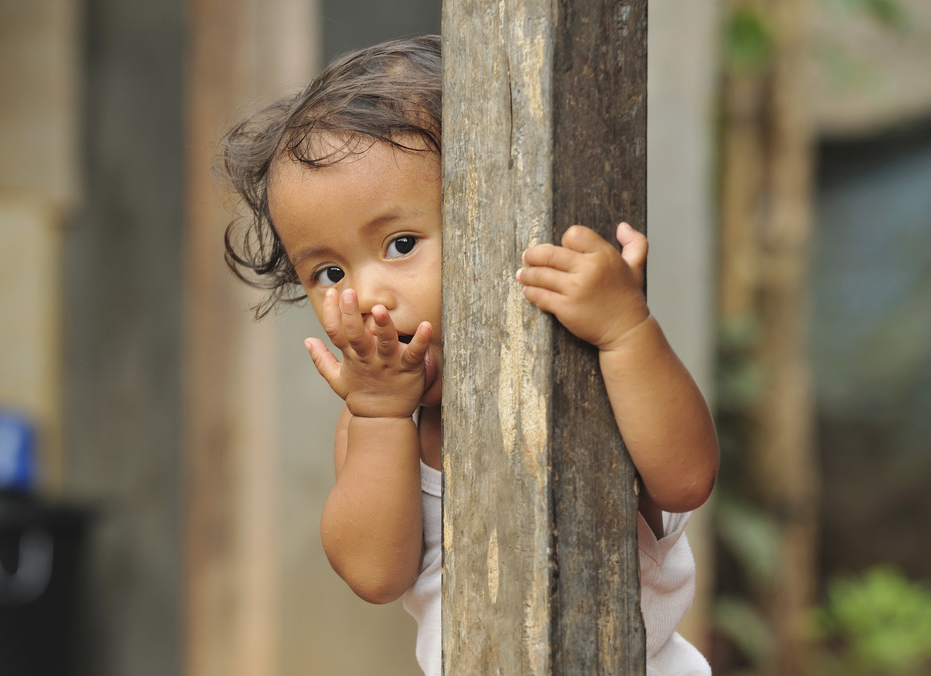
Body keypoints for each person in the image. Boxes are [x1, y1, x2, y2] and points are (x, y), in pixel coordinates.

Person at [218, 35, 719, 676]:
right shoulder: (378, 426)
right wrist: (376, 417)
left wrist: (626, 331)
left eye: (400, 244)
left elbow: (686, 479)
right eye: (328, 272)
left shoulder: (585, 366)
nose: (365, 293)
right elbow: (374, 574)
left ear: (491, 221)